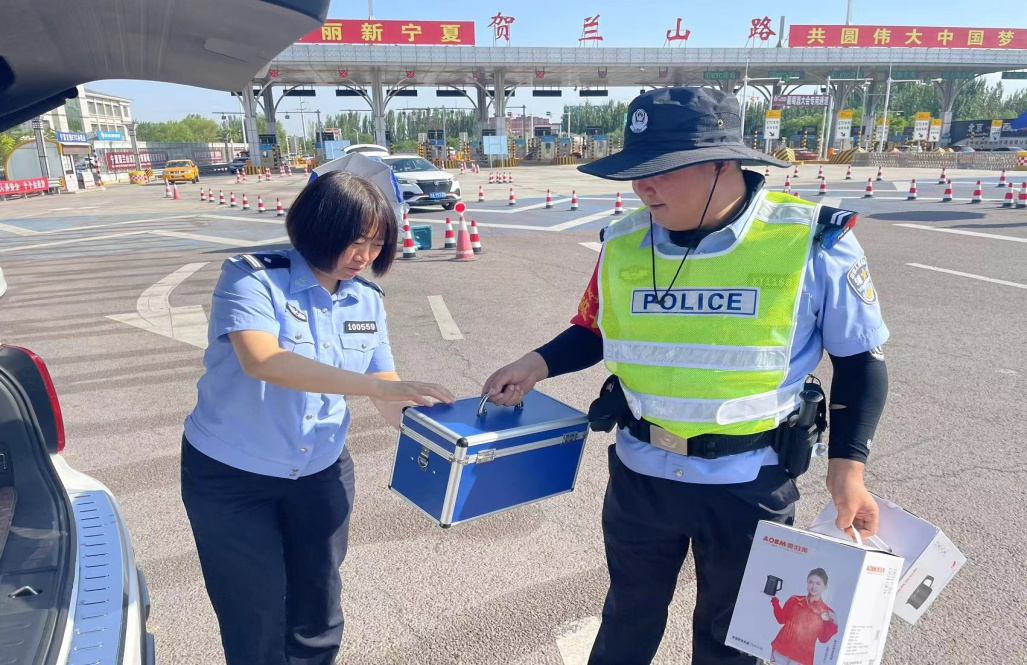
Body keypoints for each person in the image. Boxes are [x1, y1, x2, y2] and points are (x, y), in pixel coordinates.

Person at [482, 87, 889, 664]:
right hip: (640, 476)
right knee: (627, 619)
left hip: (749, 482)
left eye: (662, 171)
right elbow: (596, 329)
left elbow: (861, 362)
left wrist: (848, 472)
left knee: (733, 641)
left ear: (723, 163)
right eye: (636, 173)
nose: (643, 188)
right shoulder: (622, 241)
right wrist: (534, 364)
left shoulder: (813, 241)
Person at [180, 170, 454, 665]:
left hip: (321, 471)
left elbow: (387, 387)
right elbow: (263, 361)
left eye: (377, 244)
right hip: (232, 475)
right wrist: (380, 388)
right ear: (317, 227)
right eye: (355, 241)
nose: (364, 256)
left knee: (319, 606)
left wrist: (447, 432)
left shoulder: (366, 299)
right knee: (253, 611)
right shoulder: (253, 277)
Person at [770, 568, 838, 665]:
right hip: (779, 651)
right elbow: (781, 619)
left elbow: (823, 639)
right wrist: (775, 602)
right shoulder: (794, 600)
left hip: (801, 659)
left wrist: (833, 622)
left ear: (825, 586)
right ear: (807, 582)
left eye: (818, 583)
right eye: (811, 582)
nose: (813, 586)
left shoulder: (827, 612)